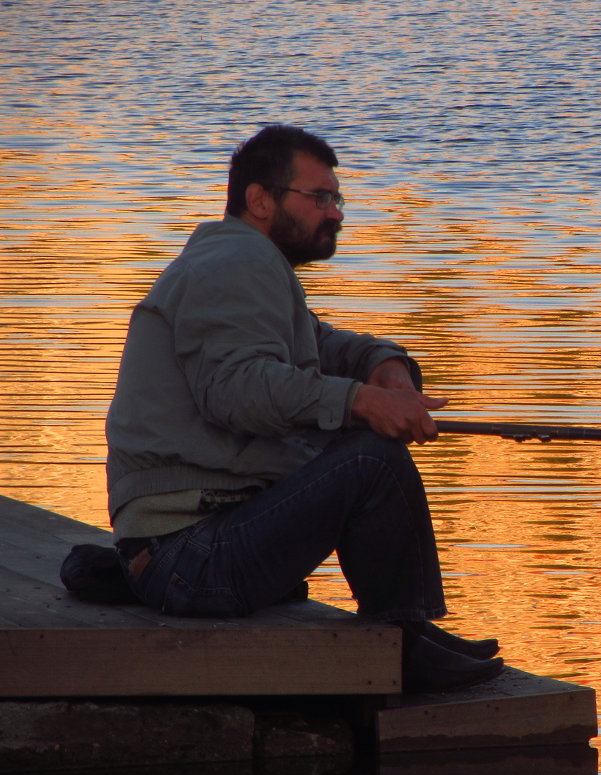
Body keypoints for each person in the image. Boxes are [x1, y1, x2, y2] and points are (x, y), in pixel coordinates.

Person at [105, 124, 503, 692]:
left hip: (186, 550)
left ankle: (407, 630)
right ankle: (402, 644)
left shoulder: (242, 266)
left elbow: (321, 347)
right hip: (187, 560)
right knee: (369, 460)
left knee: (361, 443)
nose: (335, 213)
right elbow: (238, 391)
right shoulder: (234, 264)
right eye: (318, 198)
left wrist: (384, 366)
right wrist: (364, 401)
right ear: (260, 199)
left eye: (336, 198)